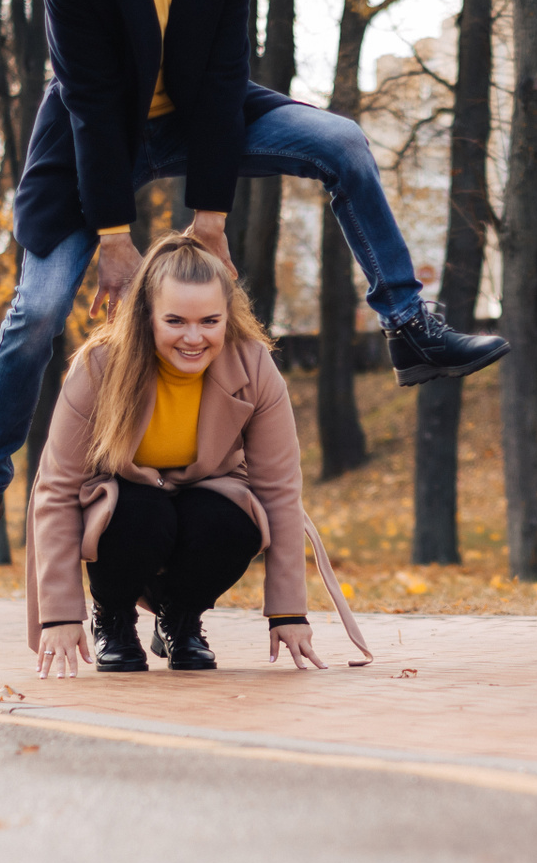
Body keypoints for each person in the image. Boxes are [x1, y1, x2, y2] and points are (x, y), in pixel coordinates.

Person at [0, 0, 506, 577]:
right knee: (36, 311)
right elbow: (90, 100)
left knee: (341, 142)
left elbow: (226, 74)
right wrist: (111, 236)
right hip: (93, 139)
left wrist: (210, 215)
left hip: (202, 115)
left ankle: (408, 326)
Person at [28, 234, 370, 678]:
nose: (194, 338)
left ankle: (181, 618)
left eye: (210, 321)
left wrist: (288, 612)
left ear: (228, 315)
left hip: (204, 501)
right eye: (175, 321)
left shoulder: (254, 365)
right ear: (147, 315)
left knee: (233, 521)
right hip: (124, 515)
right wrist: (59, 615)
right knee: (144, 511)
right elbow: (56, 490)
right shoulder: (100, 366)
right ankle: (113, 618)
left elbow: (279, 490)